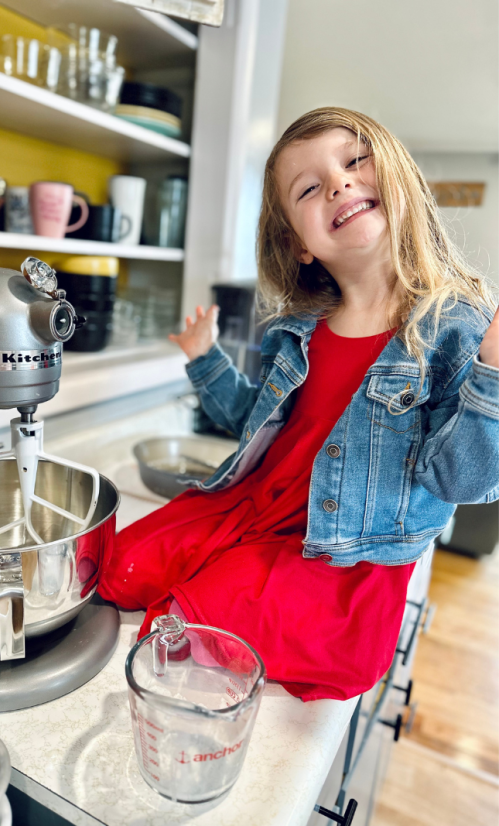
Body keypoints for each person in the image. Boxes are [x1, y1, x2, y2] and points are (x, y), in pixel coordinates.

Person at [98, 107, 499, 701]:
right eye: (309, 188)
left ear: (400, 181)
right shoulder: (298, 330)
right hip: (253, 506)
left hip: (341, 559)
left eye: (355, 161)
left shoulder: (458, 328)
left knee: (186, 623)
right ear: (299, 245)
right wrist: (205, 358)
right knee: (119, 566)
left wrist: (492, 376)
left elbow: (460, 477)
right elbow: (252, 421)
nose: (338, 182)